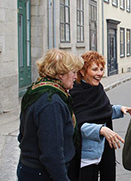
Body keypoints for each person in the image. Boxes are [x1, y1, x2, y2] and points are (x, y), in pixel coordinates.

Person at [17, 49, 84, 181]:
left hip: (29, 168)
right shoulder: (52, 102)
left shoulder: (36, 89)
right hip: (42, 173)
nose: (76, 77)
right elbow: (52, 153)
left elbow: (22, 135)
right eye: (73, 72)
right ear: (60, 74)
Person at [68, 51, 131, 181]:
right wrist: (100, 129)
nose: (99, 73)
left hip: (103, 151)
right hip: (85, 155)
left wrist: (119, 109)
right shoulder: (75, 92)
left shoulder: (98, 88)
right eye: (94, 69)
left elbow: (101, 111)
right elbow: (77, 124)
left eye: (101, 69)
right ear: (83, 71)